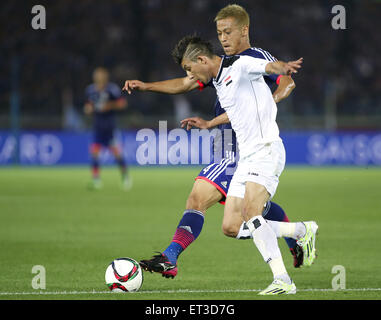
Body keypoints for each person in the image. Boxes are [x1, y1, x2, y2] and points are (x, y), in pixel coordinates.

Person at [123, 4, 303, 279]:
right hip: (225, 141)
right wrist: (146, 85)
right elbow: (186, 83)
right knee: (253, 210)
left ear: (244, 30)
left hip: (241, 143)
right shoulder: (220, 66)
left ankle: (170, 257)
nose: (222, 38)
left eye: (227, 32)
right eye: (219, 33)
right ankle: (294, 235)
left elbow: (287, 81)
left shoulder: (255, 57)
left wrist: (268, 101)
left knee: (200, 199)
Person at [172, 34, 318, 295]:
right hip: (246, 156)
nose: (190, 75)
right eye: (219, 32)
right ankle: (299, 230)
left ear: (202, 59)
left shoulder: (239, 65)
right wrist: (208, 123)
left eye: (189, 69)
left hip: (265, 148)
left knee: (252, 213)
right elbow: (236, 113)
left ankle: (283, 280)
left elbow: (266, 67)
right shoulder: (222, 83)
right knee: (231, 227)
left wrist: (282, 67)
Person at [84, 67, 131, 190]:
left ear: (105, 77)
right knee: (94, 153)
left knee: (117, 154)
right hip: (97, 127)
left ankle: (125, 177)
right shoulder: (90, 90)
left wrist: (109, 106)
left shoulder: (112, 89)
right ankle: (96, 180)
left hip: (110, 127)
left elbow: (122, 104)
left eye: (100, 76)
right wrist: (88, 109)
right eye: (96, 76)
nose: (98, 78)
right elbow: (88, 105)